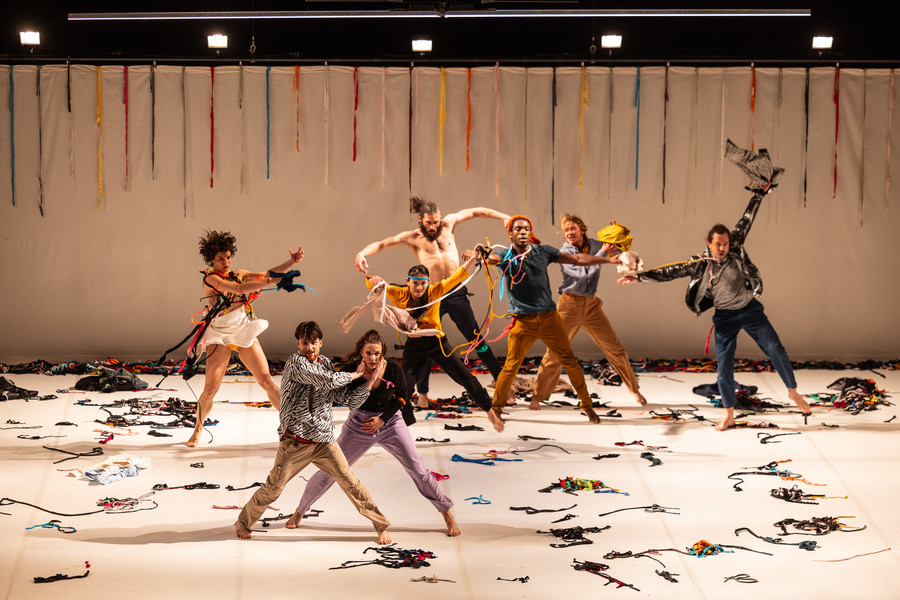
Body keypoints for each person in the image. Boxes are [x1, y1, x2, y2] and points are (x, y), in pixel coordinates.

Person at [618, 149, 810, 431]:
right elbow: (670, 271)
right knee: (724, 366)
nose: (722, 248)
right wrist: (639, 278)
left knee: (775, 348)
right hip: (725, 318)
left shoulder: (736, 247)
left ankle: (793, 392)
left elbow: (747, 218)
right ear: (709, 244)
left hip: (750, 310)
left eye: (725, 243)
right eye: (718, 244)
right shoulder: (700, 264)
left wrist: (759, 194)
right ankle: (729, 413)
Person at [286, 329, 461, 536]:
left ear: (382, 353)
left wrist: (382, 420)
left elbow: (403, 397)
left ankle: (447, 513)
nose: (373, 358)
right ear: (362, 352)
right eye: (368, 353)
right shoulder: (352, 370)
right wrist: (355, 376)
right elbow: (335, 393)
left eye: (377, 353)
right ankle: (300, 511)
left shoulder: (393, 369)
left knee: (418, 469)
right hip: (358, 425)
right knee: (331, 469)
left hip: (390, 423)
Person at [235, 321, 392, 542]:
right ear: (298, 344)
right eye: (304, 343)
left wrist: (370, 381)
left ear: (320, 343)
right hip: (295, 441)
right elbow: (327, 380)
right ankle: (243, 522)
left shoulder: (325, 363)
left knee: (351, 482)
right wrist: (357, 375)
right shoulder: (295, 363)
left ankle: (380, 525)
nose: (309, 348)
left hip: (324, 442)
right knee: (274, 488)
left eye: (313, 343)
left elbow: (345, 399)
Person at [355, 197, 510, 407]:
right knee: (426, 342)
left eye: (436, 222)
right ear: (421, 220)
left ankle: (504, 386)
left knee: (476, 339)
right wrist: (361, 253)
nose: (433, 226)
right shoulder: (414, 237)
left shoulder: (448, 224)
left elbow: (475, 212)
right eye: (429, 222)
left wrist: (504, 217)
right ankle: (423, 394)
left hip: (455, 291)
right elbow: (383, 243)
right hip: (431, 296)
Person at [484, 216, 621, 433]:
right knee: (510, 367)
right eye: (518, 229)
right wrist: (480, 254)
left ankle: (587, 406)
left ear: (530, 233)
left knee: (570, 361)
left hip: (549, 319)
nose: (522, 232)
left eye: (526, 229)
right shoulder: (504, 255)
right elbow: (490, 258)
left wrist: (608, 260)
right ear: (510, 234)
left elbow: (578, 259)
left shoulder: (543, 251)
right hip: (523, 322)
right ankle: (496, 409)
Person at [188, 230, 303, 447]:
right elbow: (240, 289)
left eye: (228, 257)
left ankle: (293, 426)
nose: (226, 262)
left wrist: (290, 262)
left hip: (242, 328)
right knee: (210, 390)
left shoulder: (238, 273)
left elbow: (267, 273)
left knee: (266, 381)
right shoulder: (211, 279)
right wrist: (272, 281)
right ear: (211, 259)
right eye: (220, 258)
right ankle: (197, 430)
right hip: (220, 334)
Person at [530, 215, 647, 410]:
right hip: (569, 306)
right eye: (566, 230)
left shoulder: (595, 245)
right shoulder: (564, 253)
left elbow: (621, 253)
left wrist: (617, 234)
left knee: (615, 349)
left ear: (582, 230)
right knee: (556, 352)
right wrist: (603, 253)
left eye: (572, 228)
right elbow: (583, 274)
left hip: (591, 306)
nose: (569, 233)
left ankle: (634, 389)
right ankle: (537, 396)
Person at [364, 247, 494, 414]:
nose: (419, 288)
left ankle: (490, 409)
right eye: (415, 283)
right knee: (404, 387)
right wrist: (373, 280)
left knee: (464, 376)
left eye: (423, 283)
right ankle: (402, 421)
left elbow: (458, 276)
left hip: (437, 343)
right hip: (414, 345)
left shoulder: (435, 291)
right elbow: (377, 285)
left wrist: (474, 257)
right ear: (408, 281)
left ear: (428, 282)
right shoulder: (399, 293)